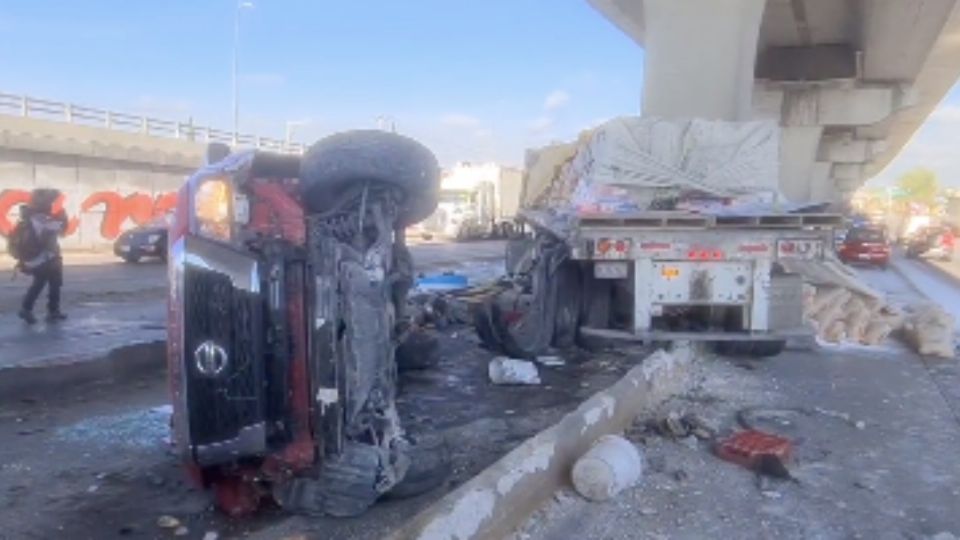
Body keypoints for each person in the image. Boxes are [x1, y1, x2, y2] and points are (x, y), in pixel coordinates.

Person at [17, 189, 69, 324]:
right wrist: (63, 217)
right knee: (49, 283)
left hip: (40, 258)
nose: (51, 206)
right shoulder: (39, 219)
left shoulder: (29, 217)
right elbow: (60, 229)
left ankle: (39, 309)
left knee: (46, 283)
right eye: (50, 203)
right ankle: (43, 310)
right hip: (45, 258)